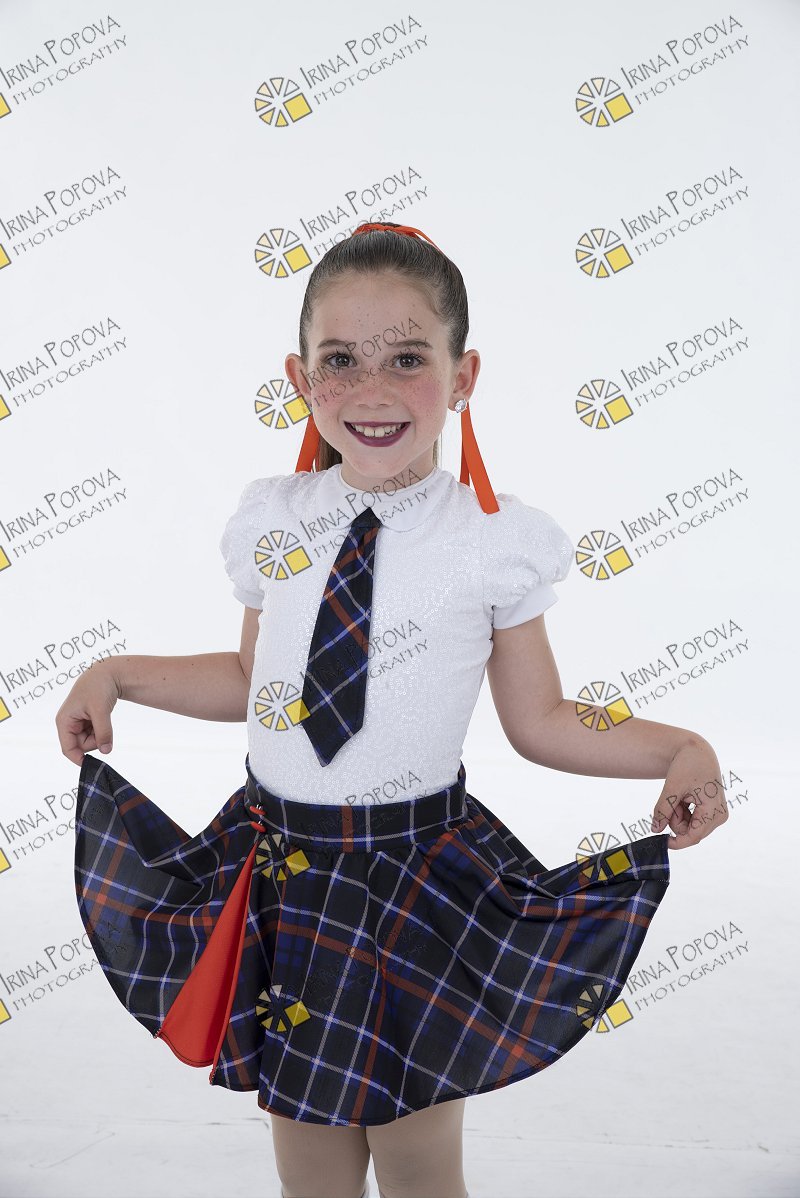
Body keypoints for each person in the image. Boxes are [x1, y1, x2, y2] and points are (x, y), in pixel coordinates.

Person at [56, 221, 727, 1198]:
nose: (371, 389)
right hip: (284, 876)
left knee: (416, 1158)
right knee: (309, 1156)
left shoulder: (490, 542)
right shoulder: (276, 517)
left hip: (416, 879)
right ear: (300, 378)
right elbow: (252, 680)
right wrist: (116, 674)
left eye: (407, 358)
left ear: (462, 376)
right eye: (341, 360)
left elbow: (540, 718)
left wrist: (679, 746)